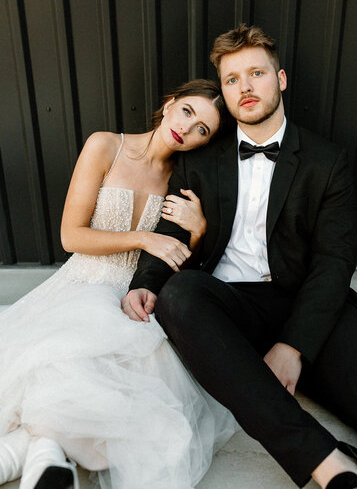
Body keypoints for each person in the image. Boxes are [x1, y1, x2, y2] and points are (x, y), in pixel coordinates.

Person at [125, 24, 357, 489]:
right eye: (232, 79)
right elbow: (172, 226)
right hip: (228, 304)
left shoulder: (326, 160)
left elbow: (334, 262)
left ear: (282, 79)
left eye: (257, 73)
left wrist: (294, 346)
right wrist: (146, 281)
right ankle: (329, 462)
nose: (245, 87)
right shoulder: (201, 156)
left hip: (307, 303)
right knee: (180, 295)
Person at [0, 79, 237, 489]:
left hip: (133, 300)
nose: (188, 128)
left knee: (133, 404)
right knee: (68, 366)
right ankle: (40, 459)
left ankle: (36, 460)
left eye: (203, 129)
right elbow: (71, 236)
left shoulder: (181, 182)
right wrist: (143, 236)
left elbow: (179, 268)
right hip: (83, 283)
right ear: (169, 104)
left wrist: (196, 234)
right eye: (187, 112)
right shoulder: (105, 145)